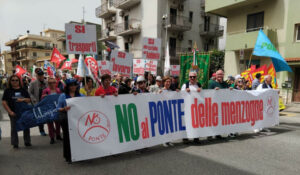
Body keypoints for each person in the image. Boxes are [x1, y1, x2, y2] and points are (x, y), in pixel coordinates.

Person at [2, 75, 32, 149]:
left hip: (24, 112)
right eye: (13, 80)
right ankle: (15, 143)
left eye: (16, 80)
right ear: (10, 81)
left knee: (26, 126)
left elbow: (29, 100)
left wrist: (22, 100)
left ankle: (27, 141)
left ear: (19, 81)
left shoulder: (23, 90)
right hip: (13, 112)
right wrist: (9, 111)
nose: (15, 81)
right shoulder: (7, 91)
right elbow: (4, 102)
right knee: (14, 128)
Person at [57, 79, 82, 163]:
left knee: (78, 137)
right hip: (66, 119)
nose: (73, 87)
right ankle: (68, 156)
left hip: (78, 120)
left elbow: (88, 103)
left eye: (74, 85)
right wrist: (64, 108)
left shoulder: (81, 95)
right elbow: (58, 108)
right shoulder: (63, 96)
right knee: (67, 138)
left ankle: (79, 154)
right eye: (71, 85)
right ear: (67, 87)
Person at [181, 71, 201, 143]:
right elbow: (181, 95)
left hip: (196, 107)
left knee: (196, 122)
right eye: (191, 77)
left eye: (194, 77)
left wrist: (201, 90)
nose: (192, 78)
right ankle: (185, 138)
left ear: (196, 77)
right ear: (189, 78)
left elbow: (203, 95)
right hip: (187, 107)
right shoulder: (185, 85)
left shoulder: (198, 85)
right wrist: (185, 91)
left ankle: (196, 137)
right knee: (187, 122)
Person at [41, 77, 62, 144]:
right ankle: (52, 137)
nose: (52, 84)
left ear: (56, 83)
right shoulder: (45, 90)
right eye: (50, 83)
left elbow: (61, 98)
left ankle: (58, 135)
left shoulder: (58, 90)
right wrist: (44, 97)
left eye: (53, 82)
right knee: (50, 124)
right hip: (49, 109)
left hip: (57, 109)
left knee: (58, 123)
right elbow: (42, 100)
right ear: (48, 83)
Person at [28, 68, 47, 136]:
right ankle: (41, 130)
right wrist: (34, 99)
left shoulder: (46, 82)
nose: (40, 76)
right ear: (37, 76)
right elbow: (29, 92)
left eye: (41, 75)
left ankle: (51, 130)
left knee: (48, 116)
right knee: (40, 117)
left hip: (45, 102)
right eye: (39, 75)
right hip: (37, 102)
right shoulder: (33, 83)